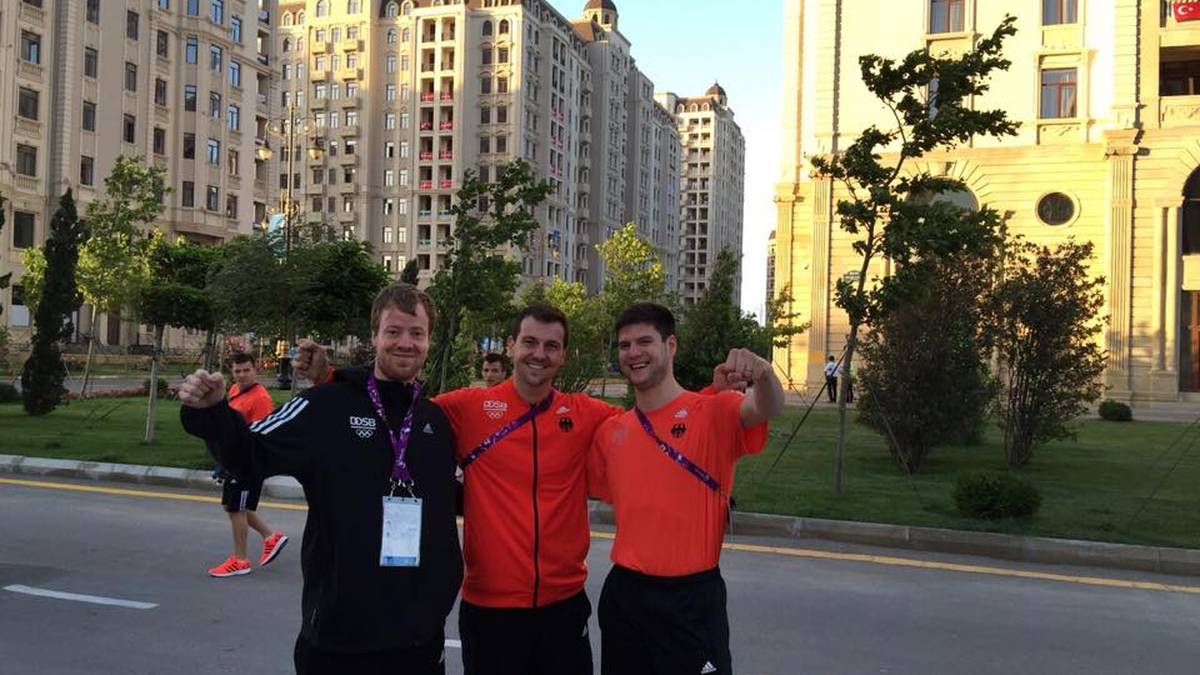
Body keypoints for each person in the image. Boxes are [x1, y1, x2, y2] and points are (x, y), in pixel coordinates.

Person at [293, 304, 739, 675]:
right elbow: (396, 410)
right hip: (490, 610)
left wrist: (707, 396)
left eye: (551, 346)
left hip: (564, 607)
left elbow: (654, 419)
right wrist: (330, 377)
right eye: (529, 342)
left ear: (563, 356)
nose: (538, 354)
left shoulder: (586, 415)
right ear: (510, 347)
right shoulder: (466, 408)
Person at [179, 283, 462, 675]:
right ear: (374, 336)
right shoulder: (325, 407)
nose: (406, 343)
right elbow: (250, 454)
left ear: (430, 339)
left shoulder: (434, 422)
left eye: (417, 333)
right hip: (341, 639)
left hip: (420, 639)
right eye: (393, 331)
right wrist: (212, 412)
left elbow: (448, 501)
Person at [588, 303, 785, 675]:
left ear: (671, 345)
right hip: (625, 596)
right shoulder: (611, 433)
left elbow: (766, 407)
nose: (634, 353)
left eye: (645, 341)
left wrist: (764, 374)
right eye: (624, 345)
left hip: (691, 600)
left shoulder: (714, 412)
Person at [208, 352, 289, 578]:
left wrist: (241, 462)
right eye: (237, 371)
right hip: (231, 459)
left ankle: (240, 560)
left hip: (245, 463)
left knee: (236, 508)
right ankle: (271, 537)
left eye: (246, 370)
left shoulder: (260, 398)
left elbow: (263, 434)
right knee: (233, 506)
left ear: (256, 370)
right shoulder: (235, 390)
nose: (242, 375)